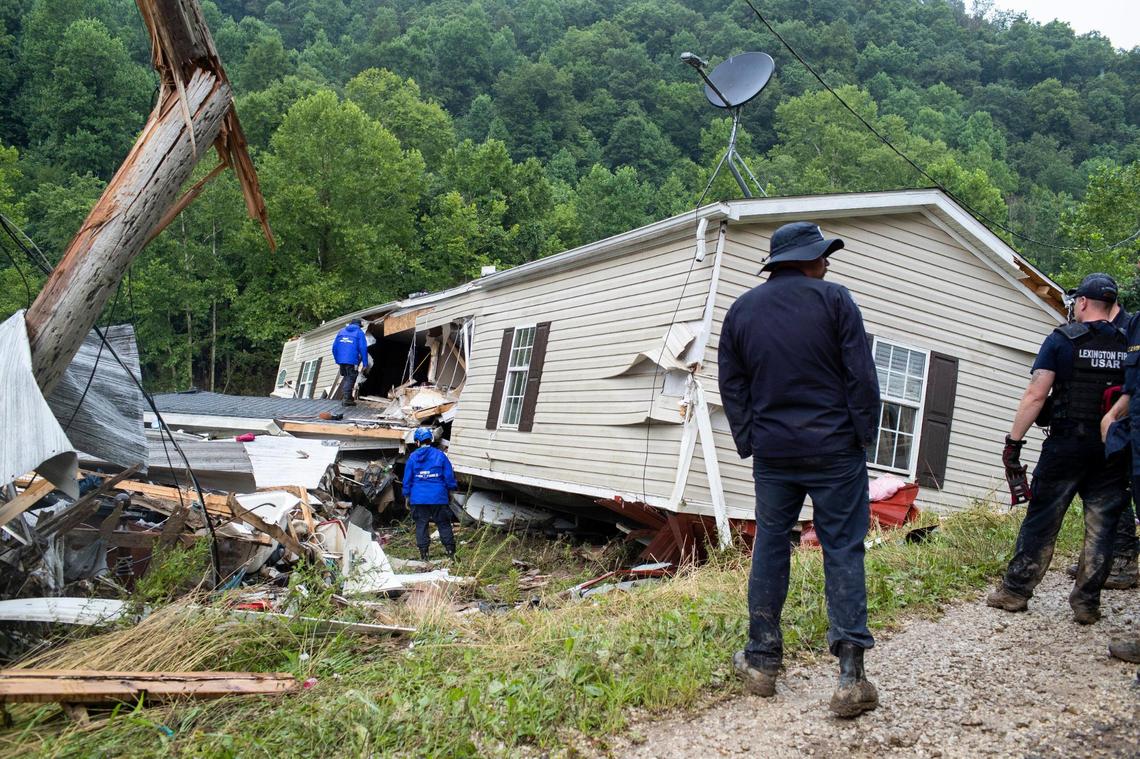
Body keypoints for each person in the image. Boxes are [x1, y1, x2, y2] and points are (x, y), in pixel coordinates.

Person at [718, 221, 881, 718]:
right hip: (834, 449)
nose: (827, 261)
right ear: (806, 259)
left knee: (771, 544)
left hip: (774, 454)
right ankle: (851, 676)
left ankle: (762, 661)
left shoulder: (742, 311)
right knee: (842, 549)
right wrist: (860, 436)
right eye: (822, 253)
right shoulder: (836, 301)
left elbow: (733, 385)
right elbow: (860, 375)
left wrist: (750, 440)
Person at [988, 273, 1129, 625]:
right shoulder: (1129, 345)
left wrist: (1014, 442)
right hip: (1111, 448)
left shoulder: (1061, 340)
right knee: (1102, 525)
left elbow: (1036, 394)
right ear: (1112, 307)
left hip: (1066, 443)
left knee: (1043, 517)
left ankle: (1015, 591)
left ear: (1081, 303)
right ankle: (1086, 603)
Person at [402, 427, 458, 561]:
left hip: (418, 497)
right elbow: (449, 476)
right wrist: (451, 490)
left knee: (421, 524)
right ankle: (451, 553)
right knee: (443, 523)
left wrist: (407, 495)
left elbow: (407, 479)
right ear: (431, 440)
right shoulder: (440, 455)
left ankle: (424, 555)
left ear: (417, 442)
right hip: (438, 496)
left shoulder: (413, 457)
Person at [331, 318, 370, 406]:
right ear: (359, 326)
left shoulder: (341, 332)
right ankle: (346, 399)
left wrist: (337, 359)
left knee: (346, 376)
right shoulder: (359, 333)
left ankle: (348, 397)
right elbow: (363, 348)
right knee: (351, 377)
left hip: (341, 360)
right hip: (352, 360)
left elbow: (334, 347)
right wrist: (365, 363)